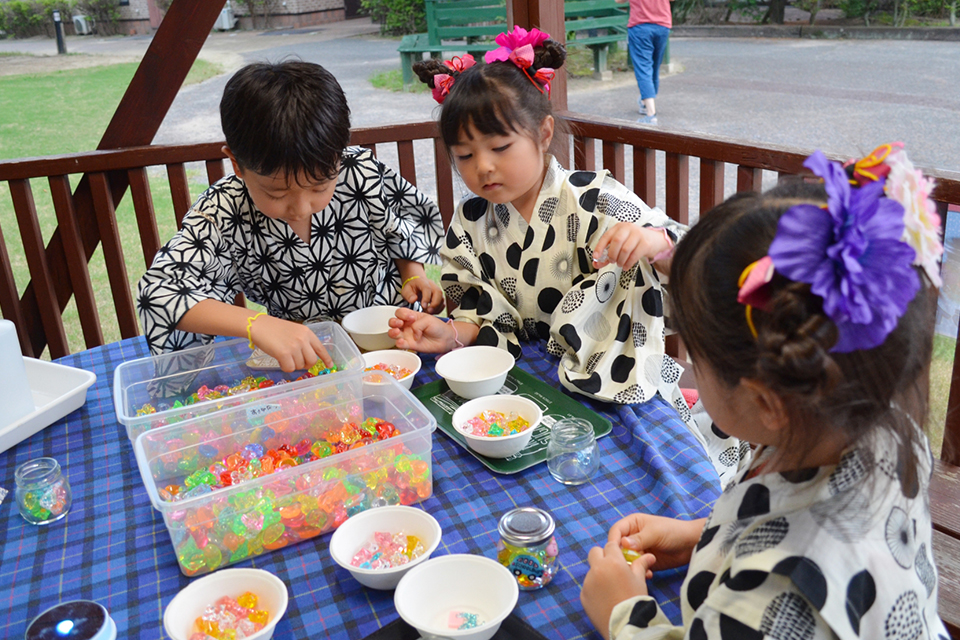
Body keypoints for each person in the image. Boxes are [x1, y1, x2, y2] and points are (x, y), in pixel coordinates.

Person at [581, 144, 948, 639]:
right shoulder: (885, 429)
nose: (688, 361)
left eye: (694, 353)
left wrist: (623, 614)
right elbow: (786, 507)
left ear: (765, 402)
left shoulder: (777, 593)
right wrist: (700, 538)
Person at [395, 26, 742, 484]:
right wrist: (448, 336)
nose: (483, 167)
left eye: (499, 147)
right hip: (529, 385)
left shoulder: (594, 198)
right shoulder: (470, 220)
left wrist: (658, 247)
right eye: (464, 155)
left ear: (543, 132)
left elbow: (693, 266)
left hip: (613, 381)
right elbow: (485, 314)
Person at [137, 61, 444, 372]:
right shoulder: (223, 209)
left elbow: (397, 231)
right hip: (300, 354)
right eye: (277, 194)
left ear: (339, 154)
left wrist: (413, 275)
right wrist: (257, 323)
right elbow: (161, 292)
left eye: (320, 186)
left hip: (385, 341)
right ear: (237, 164)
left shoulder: (360, 172)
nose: (301, 208)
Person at [617, 0, 673, 124]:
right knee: (654, 67)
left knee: (644, 69)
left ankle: (651, 115)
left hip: (640, 27)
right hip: (662, 26)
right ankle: (644, 103)